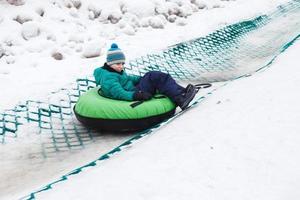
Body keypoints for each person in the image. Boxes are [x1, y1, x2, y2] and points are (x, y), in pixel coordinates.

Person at [93, 43, 197, 110]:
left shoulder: (114, 71)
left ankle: (182, 92)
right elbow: (120, 93)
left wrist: (142, 79)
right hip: (133, 92)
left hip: (134, 88)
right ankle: (180, 99)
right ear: (109, 63)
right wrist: (136, 95)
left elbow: (128, 78)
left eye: (122, 63)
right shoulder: (109, 78)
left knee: (155, 77)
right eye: (118, 64)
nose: (121, 66)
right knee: (156, 77)